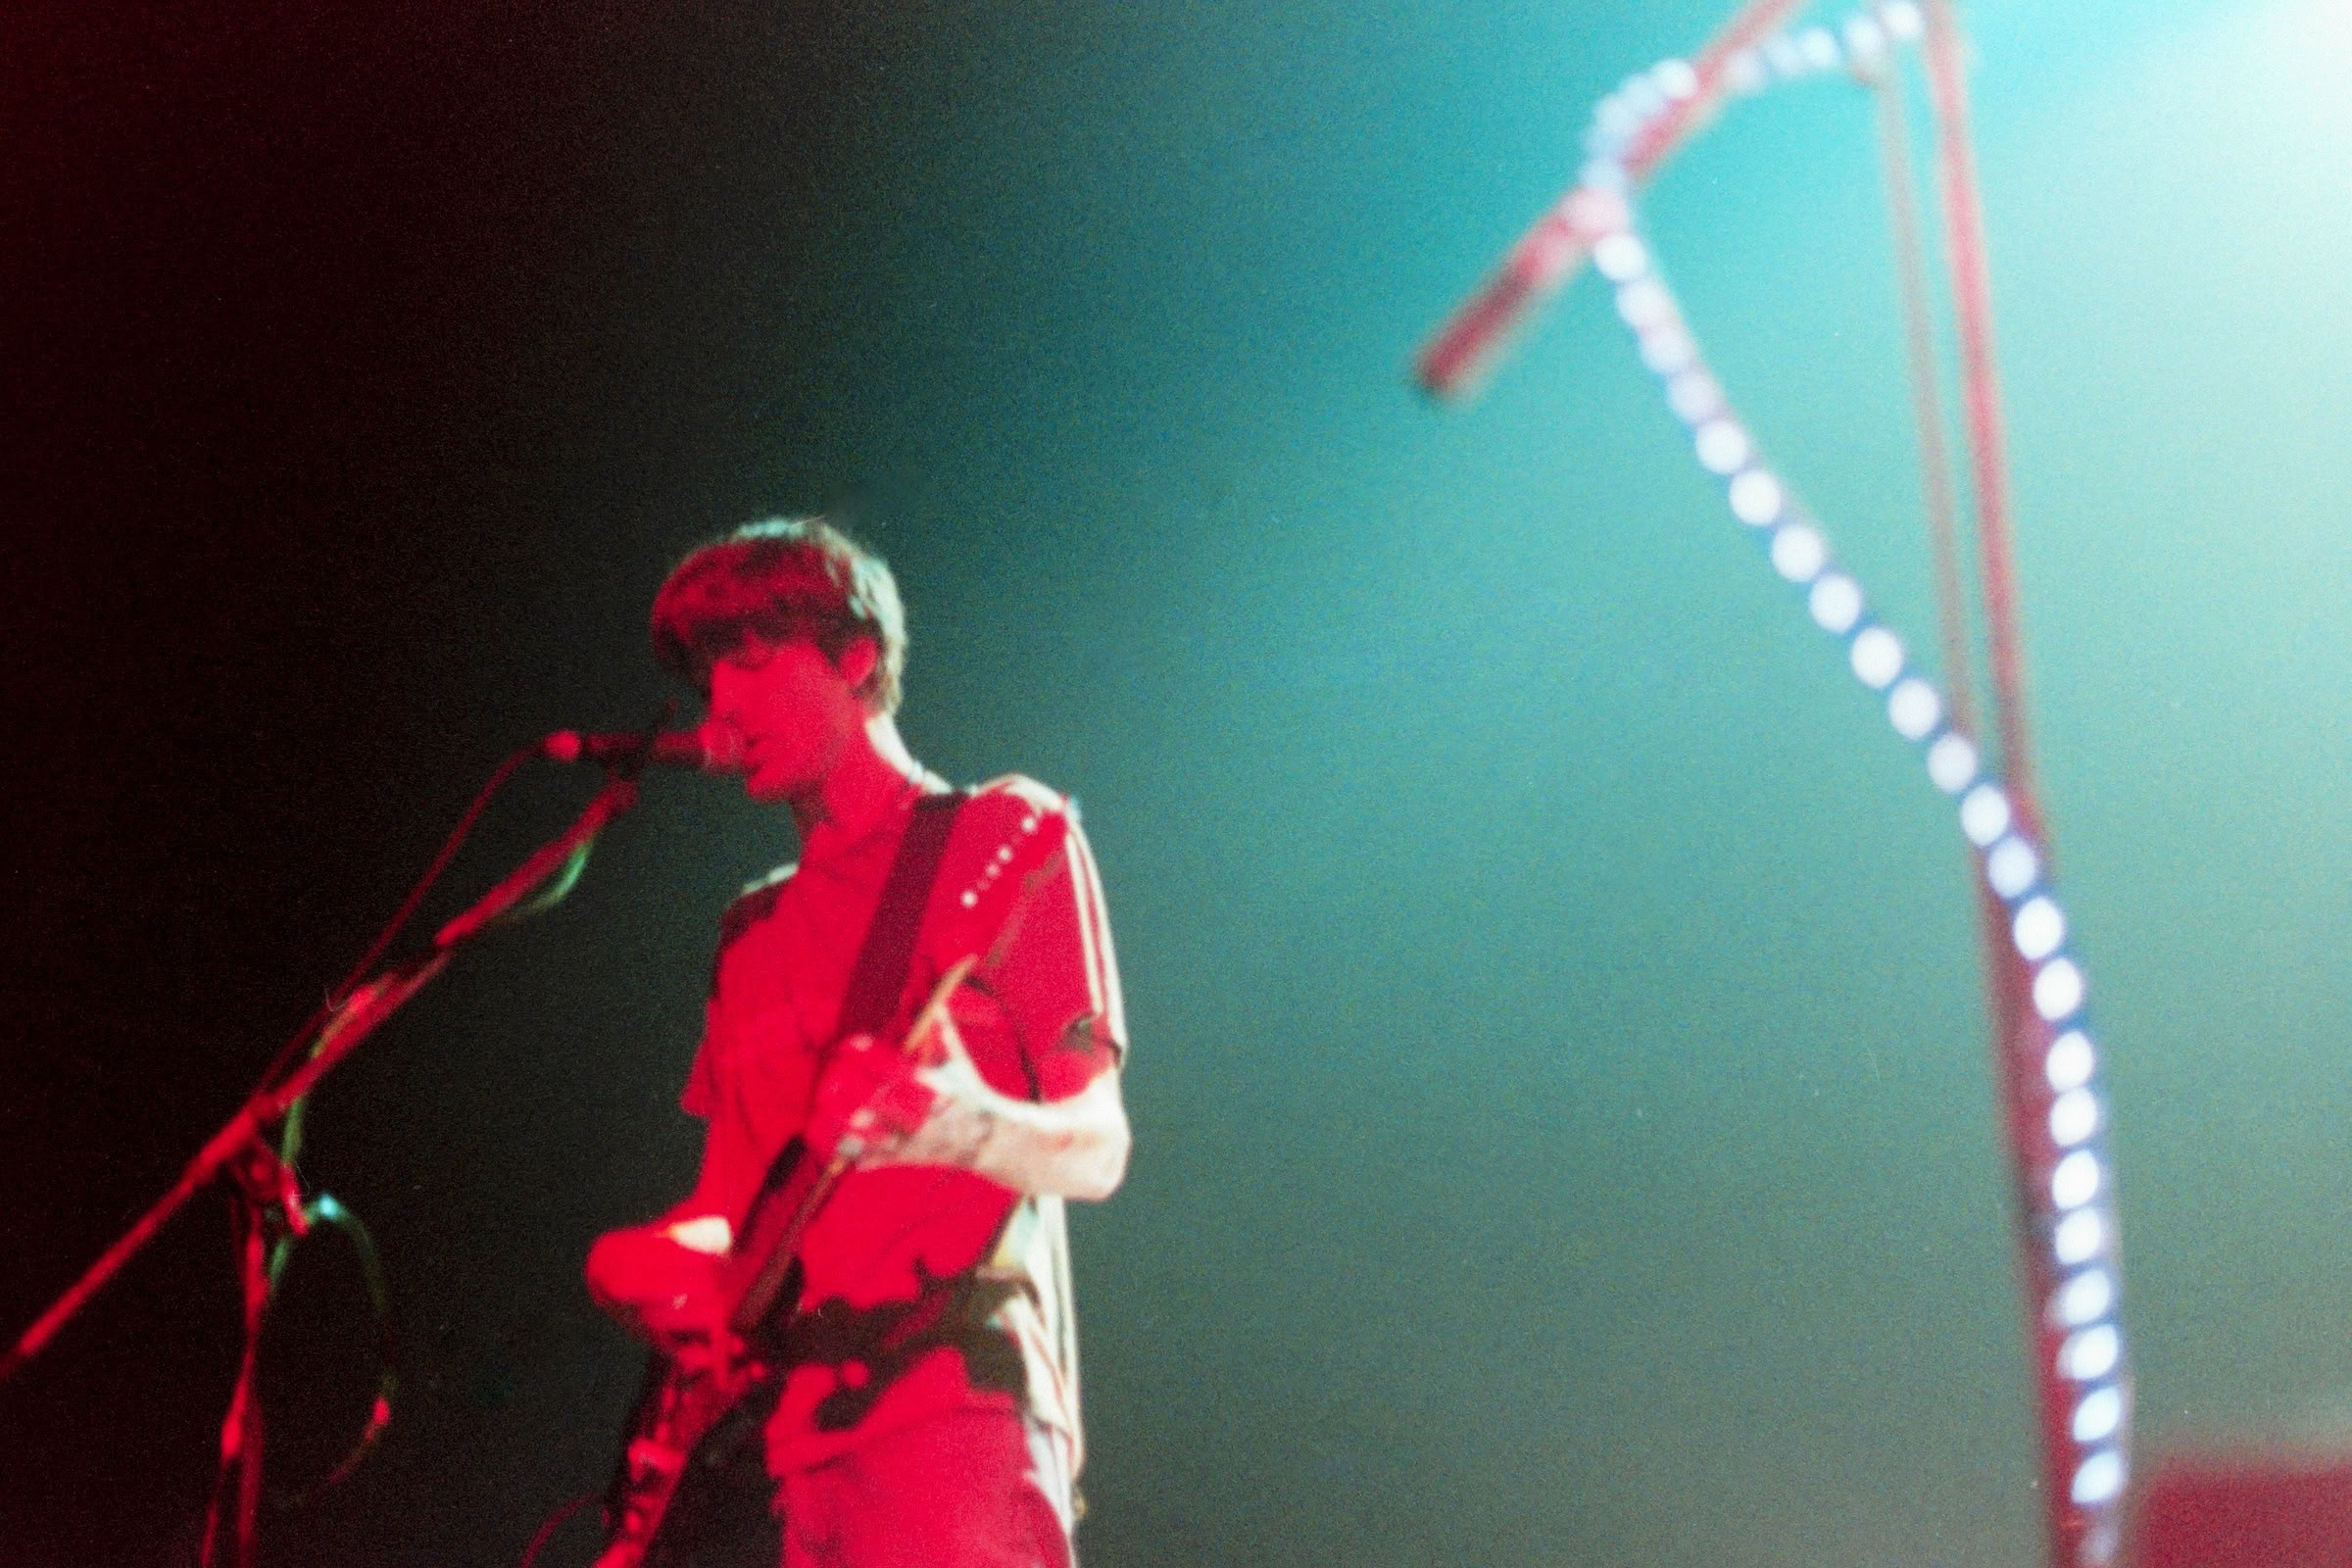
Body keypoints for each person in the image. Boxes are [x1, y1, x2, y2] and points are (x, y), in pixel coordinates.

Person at [585, 516, 1130, 1568]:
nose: (723, 704)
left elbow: (1100, 1147)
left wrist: (966, 1124)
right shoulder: (749, 932)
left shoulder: (1000, 835)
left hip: (950, 1415)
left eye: (748, 658)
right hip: (779, 1460)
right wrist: (639, 1265)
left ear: (856, 655)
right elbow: (727, 1211)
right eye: (706, 676)